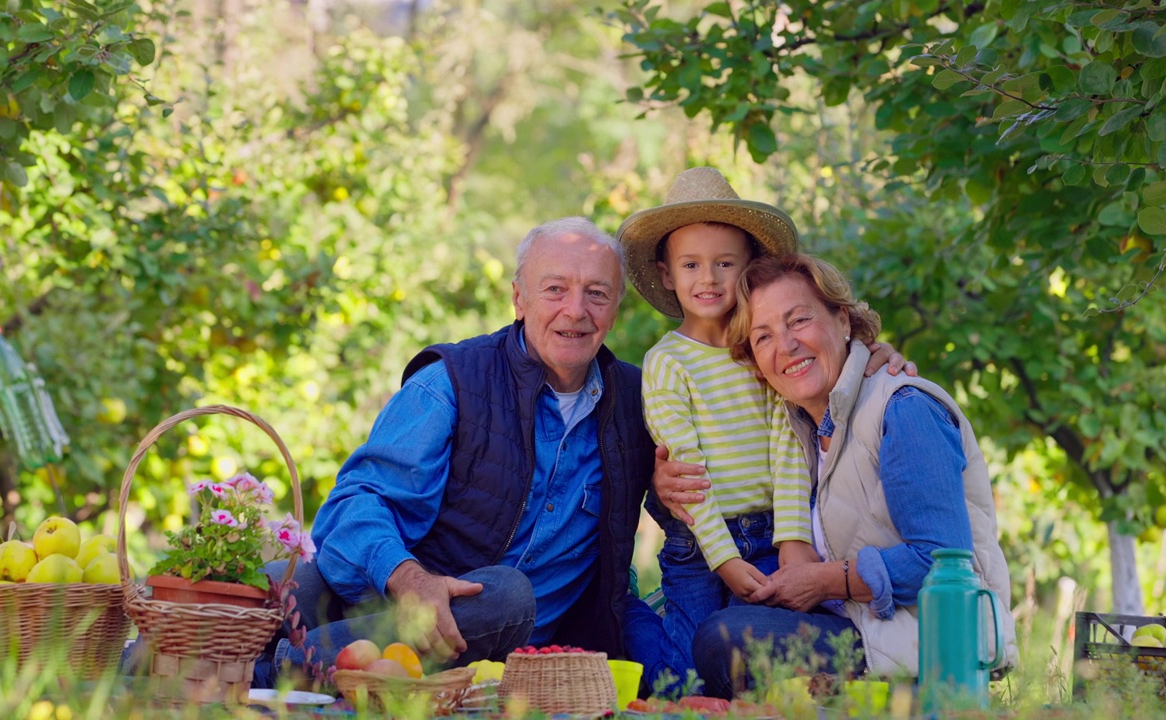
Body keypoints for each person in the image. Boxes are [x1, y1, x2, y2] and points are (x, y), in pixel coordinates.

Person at [255, 216, 657, 685]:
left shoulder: (638, 402)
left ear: (616, 308)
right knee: (284, 580)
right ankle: (321, 660)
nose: (576, 309)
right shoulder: (451, 383)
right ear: (518, 299)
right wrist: (411, 581)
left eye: (597, 293)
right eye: (554, 289)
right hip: (392, 610)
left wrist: (669, 487)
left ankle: (286, 666)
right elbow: (352, 509)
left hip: (502, 646)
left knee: (507, 596)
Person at [666, 253, 1018, 698]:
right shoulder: (800, 429)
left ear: (844, 319)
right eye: (764, 336)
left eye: (799, 320)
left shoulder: (904, 408)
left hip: (927, 646)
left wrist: (823, 580)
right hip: (862, 631)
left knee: (726, 638)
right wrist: (665, 482)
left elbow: (941, 562)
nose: (786, 345)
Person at [614, 167, 816, 692]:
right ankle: (628, 618)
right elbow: (687, 468)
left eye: (724, 263)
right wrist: (723, 560)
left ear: (749, 268)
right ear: (666, 273)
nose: (708, 279)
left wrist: (793, 539)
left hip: (771, 530)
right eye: (691, 265)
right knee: (687, 684)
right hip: (699, 545)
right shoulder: (667, 363)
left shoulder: (762, 350)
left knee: (766, 670)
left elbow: (788, 445)